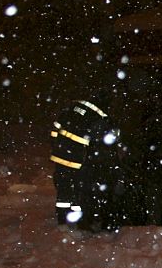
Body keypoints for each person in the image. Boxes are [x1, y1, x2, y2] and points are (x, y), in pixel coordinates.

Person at [50, 86, 123, 232]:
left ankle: (63, 221)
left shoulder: (73, 107)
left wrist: (59, 146)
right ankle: (82, 223)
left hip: (61, 156)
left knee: (64, 191)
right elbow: (103, 144)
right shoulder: (99, 116)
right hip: (78, 160)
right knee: (81, 192)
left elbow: (55, 128)